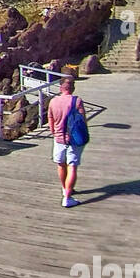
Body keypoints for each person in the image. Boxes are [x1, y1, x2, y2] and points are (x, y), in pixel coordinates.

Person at [47, 72, 90, 208]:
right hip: (74, 139)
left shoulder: (53, 101)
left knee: (61, 164)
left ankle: (65, 188)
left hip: (59, 138)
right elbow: (82, 119)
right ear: (72, 88)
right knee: (72, 166)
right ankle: (67, 198)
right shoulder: (76, 101)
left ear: (61, 87)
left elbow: (50, 119)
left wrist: (54, 131)